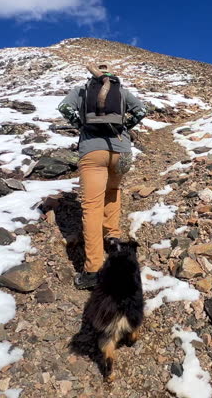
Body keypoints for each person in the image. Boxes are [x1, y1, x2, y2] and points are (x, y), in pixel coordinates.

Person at [57, 64, 148, 289]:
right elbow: (142, 110)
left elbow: (64, 108)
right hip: (122, 151)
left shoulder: (82, 91)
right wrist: (124, 128)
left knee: (91, 206)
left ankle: (93, 269)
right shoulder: (122, 92)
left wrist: (82, 126)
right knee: (113, 191)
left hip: (92, 150)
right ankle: (113, 238)